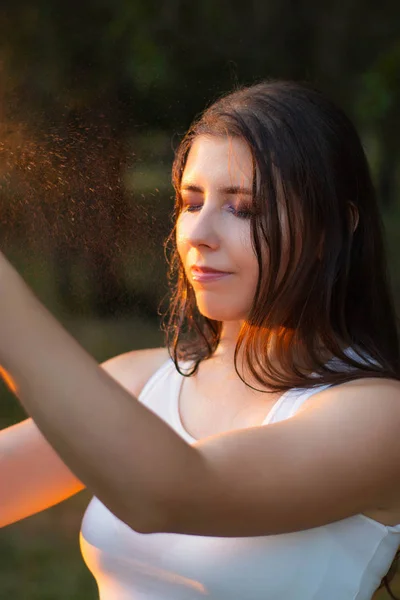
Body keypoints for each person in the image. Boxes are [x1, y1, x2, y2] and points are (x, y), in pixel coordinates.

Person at [1, 80, 400, 600]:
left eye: (244, 209)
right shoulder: (139, 381)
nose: (198, 233)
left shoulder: (380, 418)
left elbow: (165, 494)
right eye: (191, 202)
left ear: (332, 231)